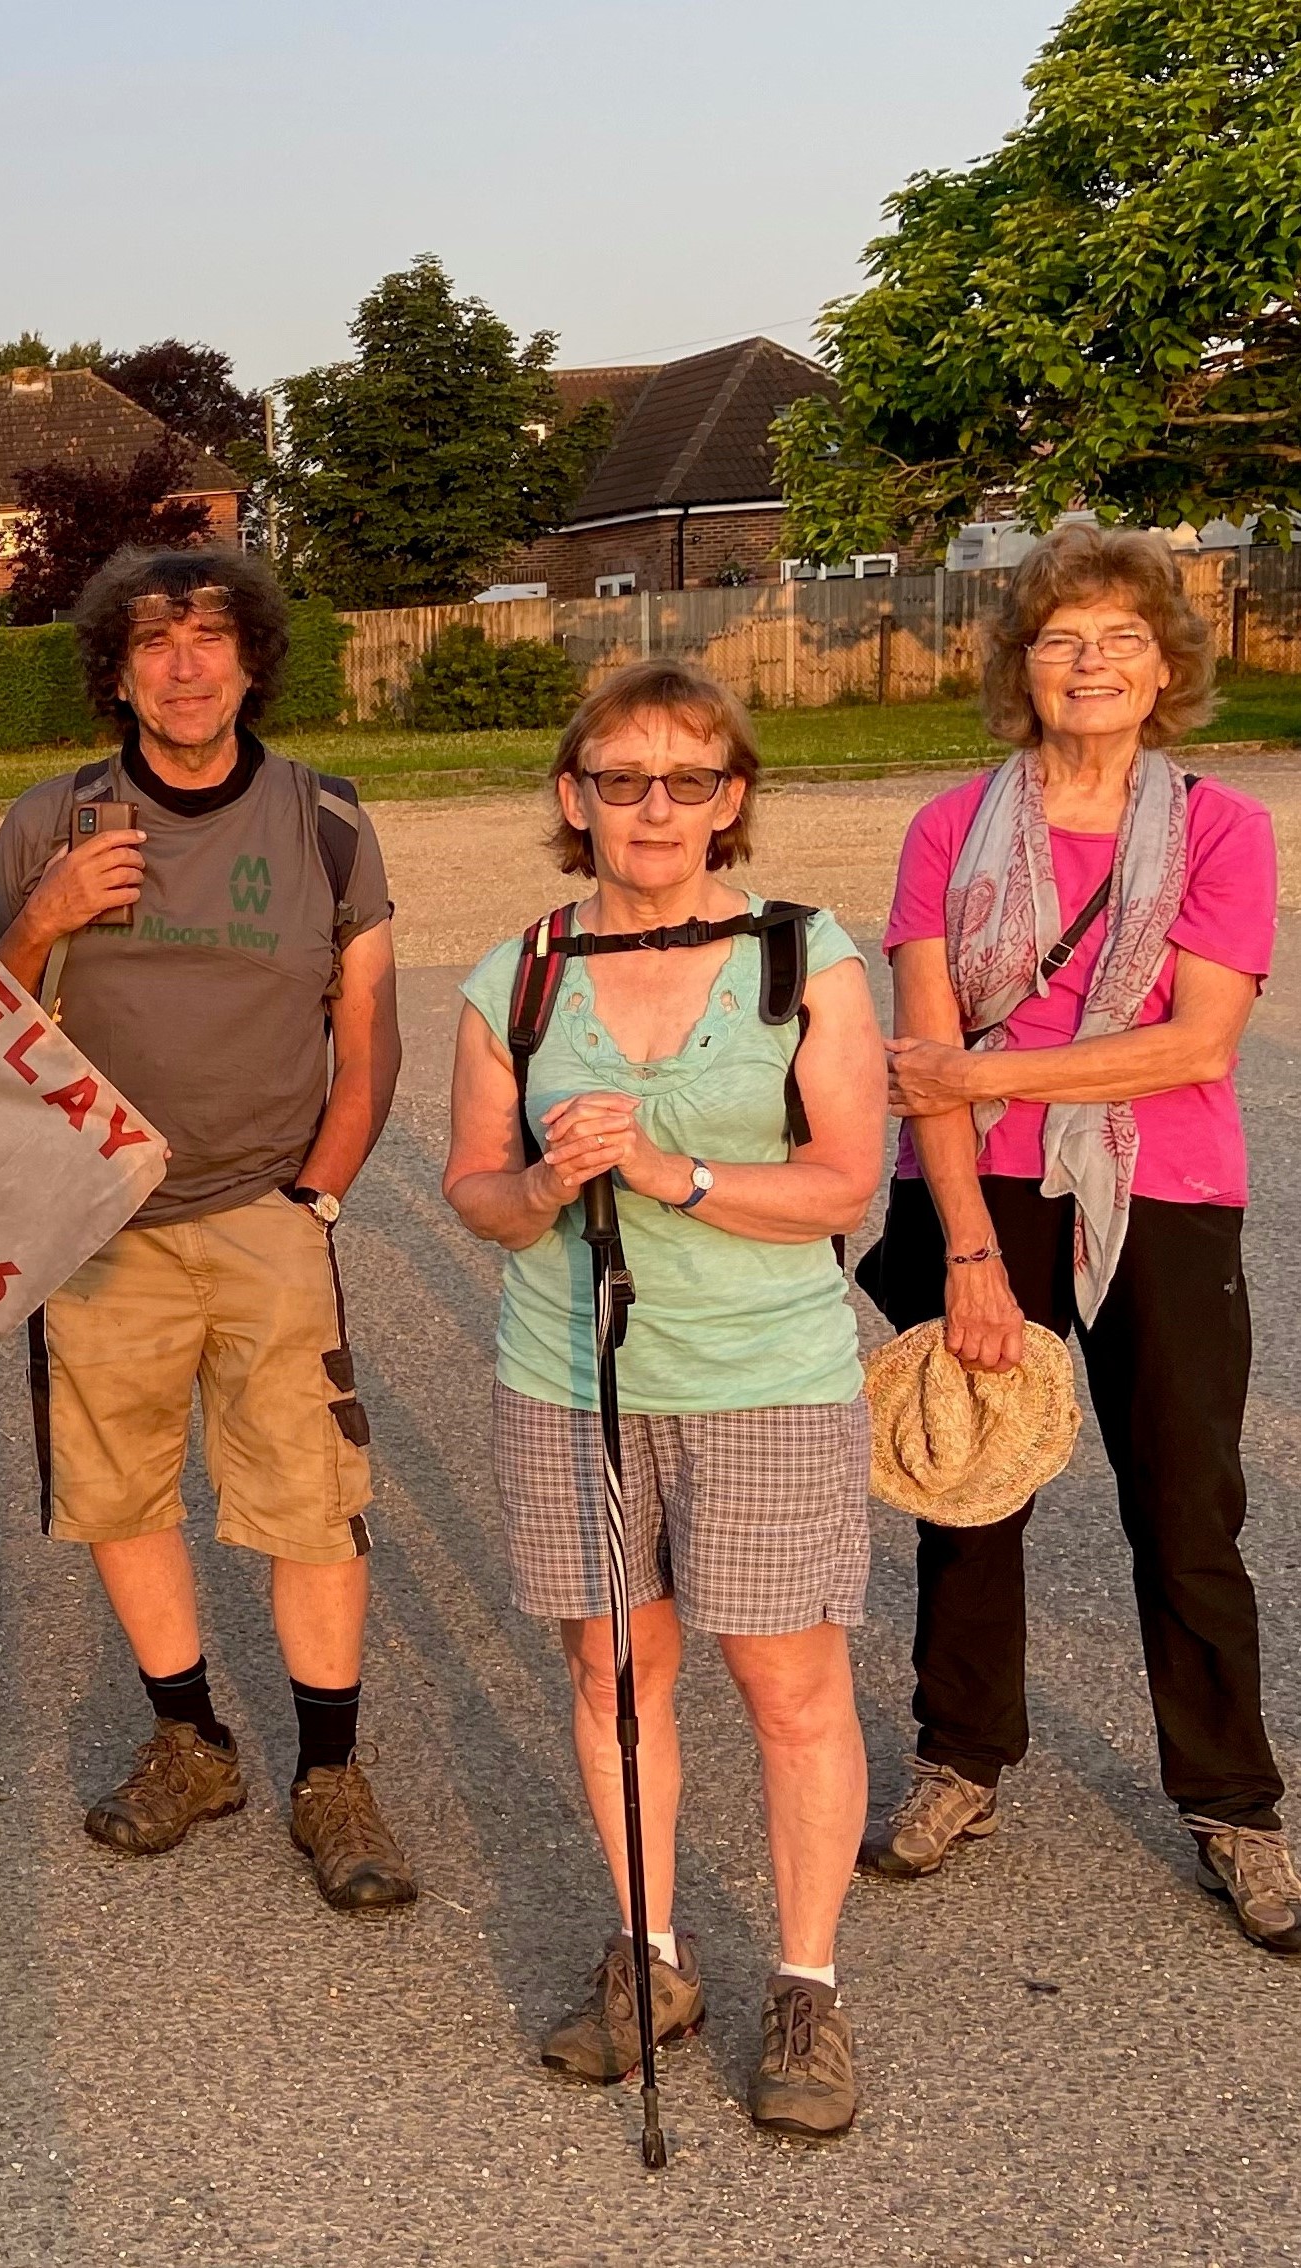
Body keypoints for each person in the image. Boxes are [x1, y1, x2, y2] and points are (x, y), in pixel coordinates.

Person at [442, 660, 884, 2137]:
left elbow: (843, 1183)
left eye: (687, 779)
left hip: (763, 1378)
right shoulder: (514, 975)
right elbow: (475, 1199)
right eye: (619, 780)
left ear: (731, 799)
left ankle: (806, 1985)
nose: (652, 807)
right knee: (609, 1675)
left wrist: (670, 1173)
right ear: (573, 799)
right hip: (567, 1379)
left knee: (784, 1681)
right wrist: (541, 1180)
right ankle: (650, 1953)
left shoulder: (800, 956)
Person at [862, 522, 1296, 1958]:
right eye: (1060, 639)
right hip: (979, 1199)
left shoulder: (1224, 828)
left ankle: (1232, 1802)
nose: (1090, 660)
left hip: (1164, 1193)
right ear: (1020, 668)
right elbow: (919, 1047)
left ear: (1167, 666)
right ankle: (958, 1761)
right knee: (968, 1486)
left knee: (1185, 1502)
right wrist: (969, 1252)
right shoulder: (946, 828)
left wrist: (984, 1078)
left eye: (1119, 637)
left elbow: (1195, 1043)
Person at [0, 546, 414, 1911]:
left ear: (249, 659)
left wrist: (318, 1192)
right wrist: (40, 918)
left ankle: (329, 1771)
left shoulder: (324, 819)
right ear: (113, 668)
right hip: (101, 1219)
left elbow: (370, 1027)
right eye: (152, 643)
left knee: (307, 1501)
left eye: (207, 637)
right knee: (118, 1492)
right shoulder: (51, 821)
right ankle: (192, 1738)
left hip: (266, 1206)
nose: (180, 664)